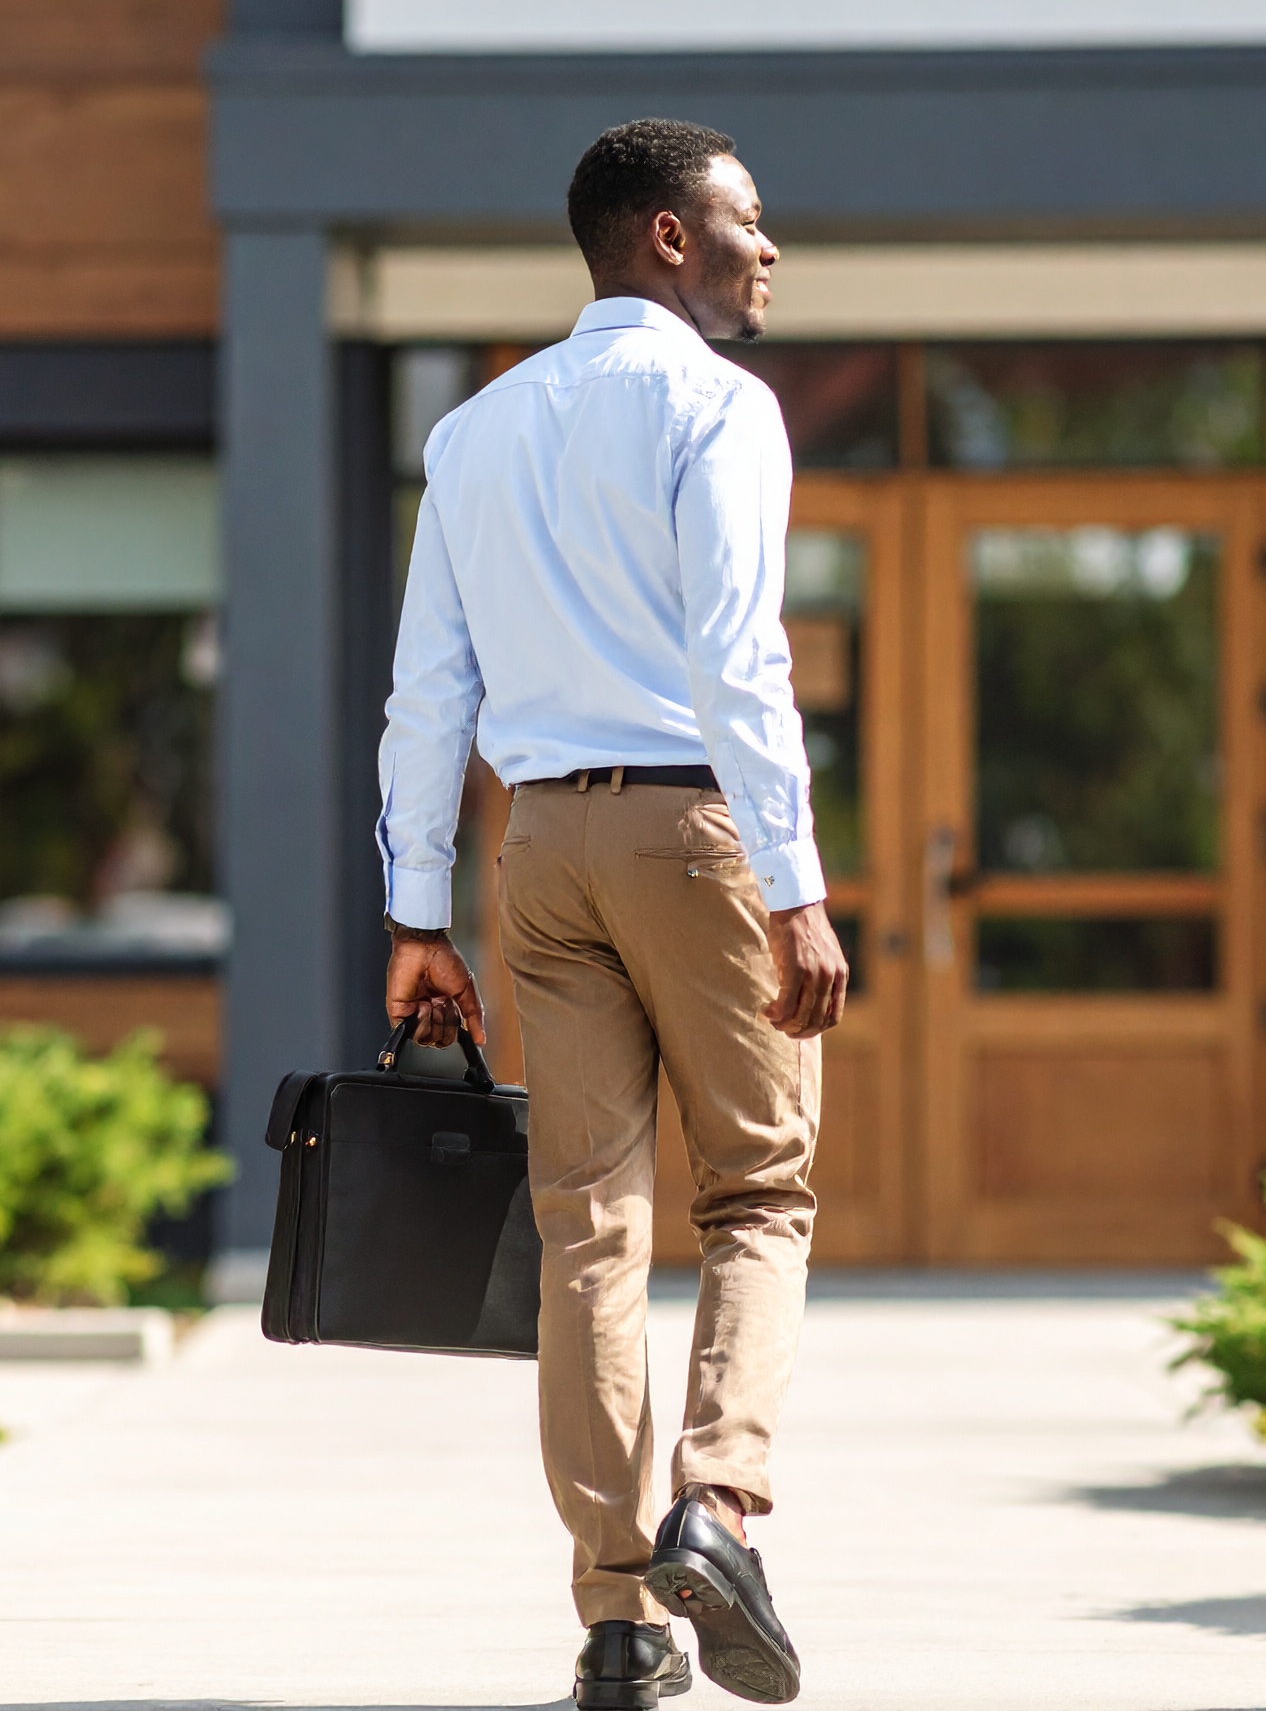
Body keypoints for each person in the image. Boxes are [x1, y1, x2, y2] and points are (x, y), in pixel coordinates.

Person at [376, 117, 848, 1709]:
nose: (768, 247)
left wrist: (413, 917)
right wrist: (798, 887)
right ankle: (715, 1510)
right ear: (665, 235)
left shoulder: (477, 431)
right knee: (760, 1195)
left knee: (587, 1225)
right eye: (746, 221)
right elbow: (740, 657)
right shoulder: (720, 408)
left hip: (541, 855)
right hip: (693, 832)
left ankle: (617, 1620)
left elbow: (425, 693)